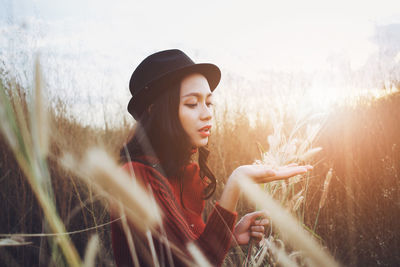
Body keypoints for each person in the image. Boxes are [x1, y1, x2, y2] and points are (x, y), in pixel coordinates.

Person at [110, 49, 312, 267]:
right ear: (155, 111)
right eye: (192, 103)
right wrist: (237, 182)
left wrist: (229, 236)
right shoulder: (134, 177)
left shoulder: (184, 174)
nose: (207, 113)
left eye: (209, 102)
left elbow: (188, 250)